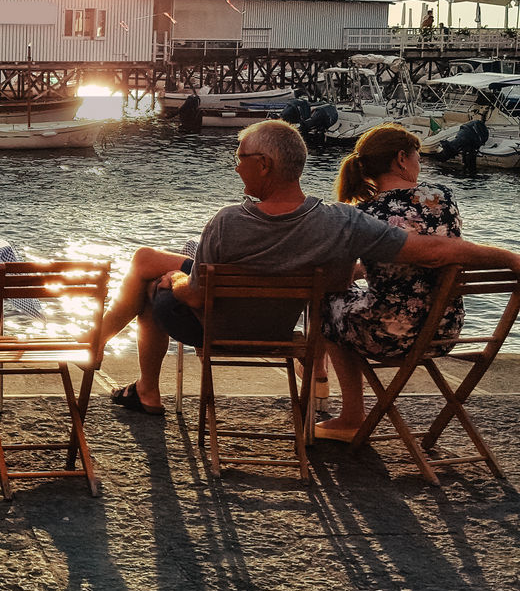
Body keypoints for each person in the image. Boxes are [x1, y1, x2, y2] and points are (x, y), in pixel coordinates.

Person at [91, 119, 520, 417]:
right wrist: (512, 259)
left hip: (217, 323)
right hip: (280, 324)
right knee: (147, 259)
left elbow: (197, 296)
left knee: (152, 286)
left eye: (239, 157)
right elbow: (433, 251)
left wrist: (179, 281)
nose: (235, 165)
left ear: (264, 165)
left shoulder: (226, 222)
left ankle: (142, 386)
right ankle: (99, 344)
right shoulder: (341, 222)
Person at [314, 125, 462, 441]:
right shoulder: (441, 197)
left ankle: (347, 409)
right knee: (351, 301)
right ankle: (318, 376)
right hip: (443, 331)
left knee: (327, 302)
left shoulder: (364, 212)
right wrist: (370, 270)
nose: (419, 165)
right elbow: (428, 254)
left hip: (389, 335)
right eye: (418, 157)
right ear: (401, 159)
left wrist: (355, 271)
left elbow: (337, 279)